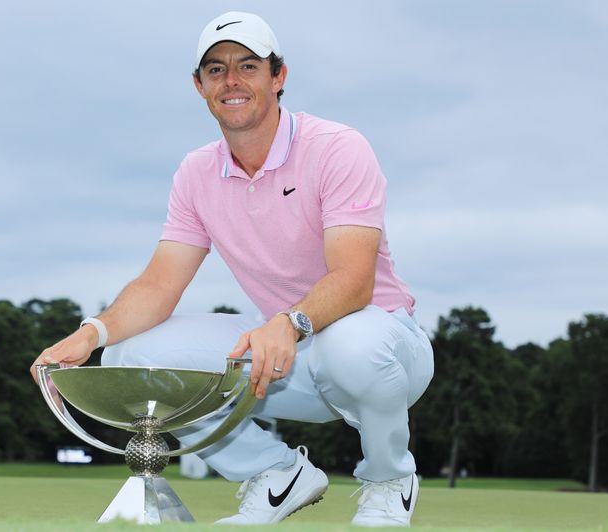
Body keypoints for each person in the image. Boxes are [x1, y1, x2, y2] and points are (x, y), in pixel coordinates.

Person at [30, 11, 434, 527]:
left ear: (278, 76)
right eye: (216, 70)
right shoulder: (197, 172)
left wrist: (287, 324)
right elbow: (159, 283)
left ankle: (389, 479)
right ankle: (274, 474)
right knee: (132, 351)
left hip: (384, 351)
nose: (232, 81)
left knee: (350, 343)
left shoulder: (337, 148)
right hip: (286, 360)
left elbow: (354, 282)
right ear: (199, 86)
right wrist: (91, 333)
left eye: (248, 65)